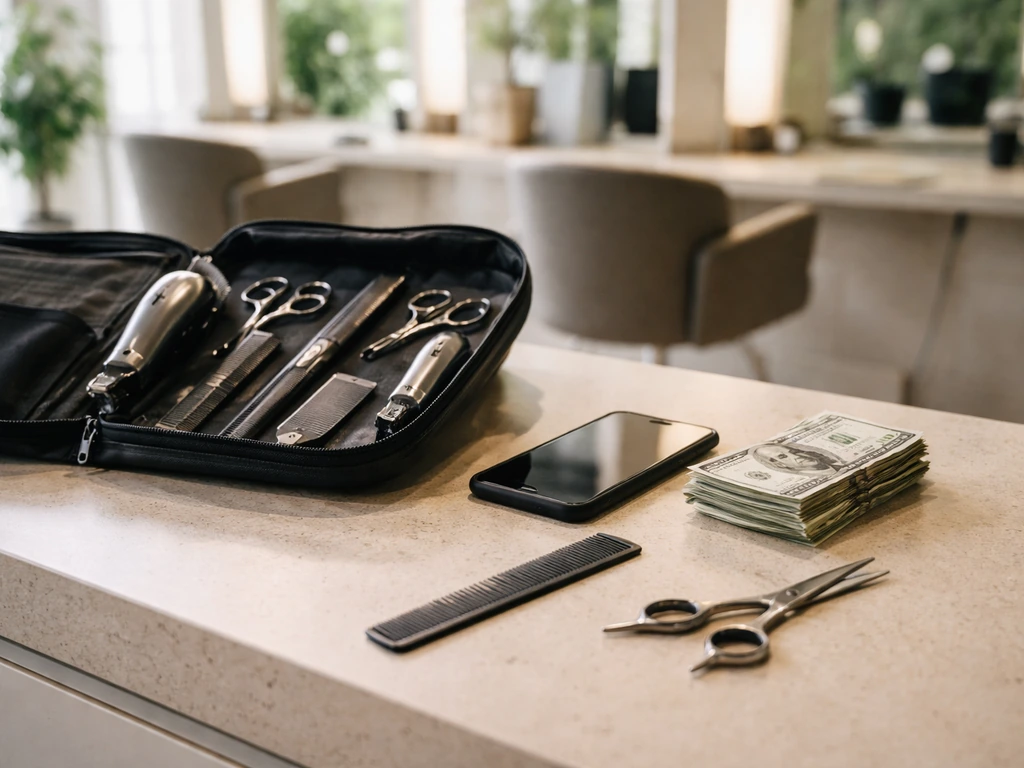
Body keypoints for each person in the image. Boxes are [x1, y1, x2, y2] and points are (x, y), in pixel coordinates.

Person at [749, 443, 844, 477]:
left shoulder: (837, 464)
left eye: (793, 451)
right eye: (783, 456)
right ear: (780, 464)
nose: (796, 456)